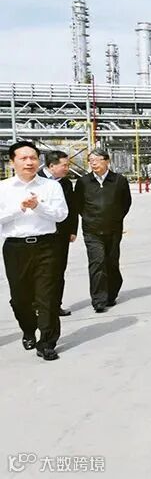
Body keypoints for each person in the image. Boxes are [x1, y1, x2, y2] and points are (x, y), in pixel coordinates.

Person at [1, 141, 68, 360]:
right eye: (23, 158)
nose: (29, 162)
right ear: (12, 162)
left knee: (47, 296)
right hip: (16, 248)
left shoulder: (51, 186)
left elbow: (61, 215)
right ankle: (28, 330)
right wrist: (20, 208)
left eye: (33, 158)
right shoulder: (4, 188)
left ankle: (47, 342)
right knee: (20, 298)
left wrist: (38, 206)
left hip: (46, 246)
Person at [74, 148, 132, 312]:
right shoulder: (83, 182)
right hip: (92, 231)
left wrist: (115, 218)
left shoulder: (119, 180)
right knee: (97, 263)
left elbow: (126, 203)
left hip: (113, 230)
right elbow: (78, 204)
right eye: (90, 160)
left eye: (97, 159)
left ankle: (111, 294)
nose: (93, 163)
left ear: (107, 161)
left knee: (111, 263)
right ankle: (99, 300)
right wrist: (90, 218)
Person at [39, 150, 79, 316]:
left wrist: (73, 230)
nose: (67, 168)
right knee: (40, 272)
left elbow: (72, 208)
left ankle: (55, 305)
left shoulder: (66, 183)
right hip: (40, 234)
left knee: (58, 270)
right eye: (64, 165)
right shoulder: (36, 179)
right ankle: (38, 306)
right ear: (51, 166)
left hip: (61, 235)